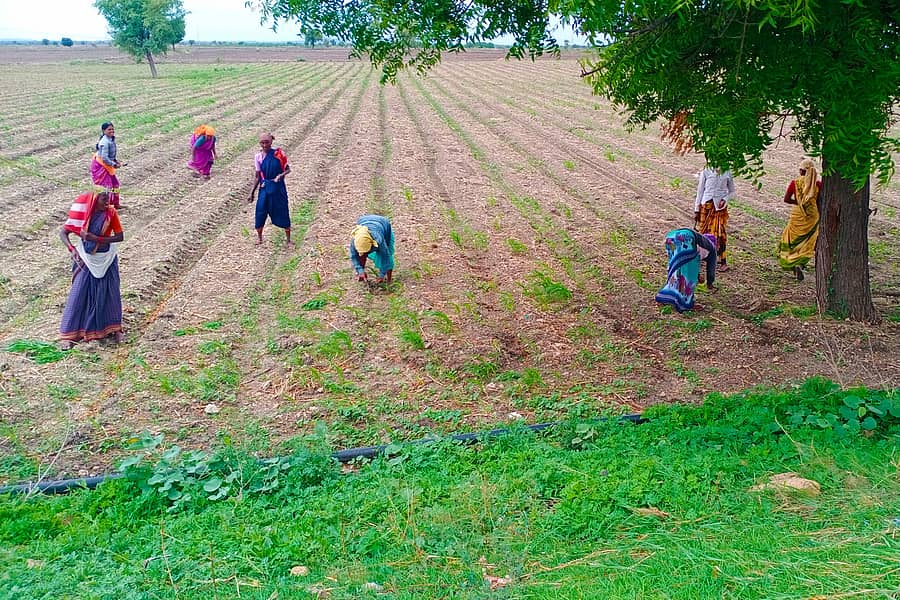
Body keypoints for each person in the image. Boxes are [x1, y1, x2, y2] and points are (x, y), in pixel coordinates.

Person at [58, 191, 124, 350]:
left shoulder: (111, 213)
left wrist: (98, 239)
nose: (107, 201)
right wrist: (71, 249)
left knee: (110, 293)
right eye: (104, 198)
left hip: (106, 258)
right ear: (95, 199)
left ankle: (115, 329)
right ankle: (69, 334)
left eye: (108, 198)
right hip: (86, 257)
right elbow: (63, 232)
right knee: (79, 293)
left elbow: (119, 236)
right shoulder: (84, 213)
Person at [655, 228, 717, 313]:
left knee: (675, 268)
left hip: (670, 237)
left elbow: (689, 264)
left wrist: (698, 275)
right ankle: (686, 303)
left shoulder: (701, 242)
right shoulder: (712, 249)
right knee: (689, 276)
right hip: (686, 238)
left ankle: (665, 297)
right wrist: (710, 283)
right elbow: (710, 269)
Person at [779, 158, 821, 281]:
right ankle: (801, 263)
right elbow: (820, 201)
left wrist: (798, 202)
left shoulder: (795, 183)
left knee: (791, 239)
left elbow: (787, 199)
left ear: (801, 171)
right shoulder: (818, 184)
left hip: (797, 215)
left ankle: (792, 261)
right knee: (808, 241)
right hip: (812, 217)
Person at [247, 133, 292, 246]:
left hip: (278, 188)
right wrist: (251, 193)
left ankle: (288, 239)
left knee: (282, 210)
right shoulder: (258, 156)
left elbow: (288, 169)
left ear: (271, 142)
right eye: (262, 143)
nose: (264, 145)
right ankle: (260, 238)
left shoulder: (279, 154)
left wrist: (280, 175)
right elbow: (257, 176)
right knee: (260, 211)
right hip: (265, 188)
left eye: (266, 142)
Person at [694, 166, 735, 271]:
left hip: (719, 209)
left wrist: (725, 199)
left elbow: (732, 192)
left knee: (720, 235)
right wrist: (696, 209)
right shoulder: (706, 171)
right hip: (706, 206)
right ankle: (700, 257)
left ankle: (722, 261)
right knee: (702, 233)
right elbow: (700, 191)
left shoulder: (727, 172)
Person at [350, 215, 394, 284]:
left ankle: (389, 280)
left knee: (388, 251)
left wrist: (381, 275)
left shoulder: (378, 240)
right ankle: (362, 275)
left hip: (382, 222)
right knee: (361, 256)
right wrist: (360, 270)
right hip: (364, 220)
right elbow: (354, 257)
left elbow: (386, 257)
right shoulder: (355, 241)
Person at [90, 122, 123, 208]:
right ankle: (104, 207)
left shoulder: (110, 139)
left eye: (112, 129)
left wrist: (115, 161)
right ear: (104, 131)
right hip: (101, 166)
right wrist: (114, 165)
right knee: (106, 187)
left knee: (115, 184)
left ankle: (115, 204)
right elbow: (104, 158)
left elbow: (109, 155)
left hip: (107, 165)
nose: (112, 131)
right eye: (109, 129)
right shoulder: (104, 142)